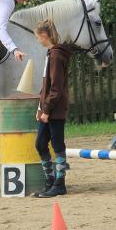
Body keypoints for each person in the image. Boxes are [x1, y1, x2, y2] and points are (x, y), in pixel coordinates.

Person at [32, 19, 73, 198]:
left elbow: (56, 87)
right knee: (40, 144)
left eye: (37, 37)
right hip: (47, 108)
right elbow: (45, 86)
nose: (37, 40)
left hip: (55, 109)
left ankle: (59, 183)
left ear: (44, 35)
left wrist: (47, 110)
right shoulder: (50, 54)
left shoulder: (56, 56)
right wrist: (40, 108)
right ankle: (49, 181)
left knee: (57, 144)